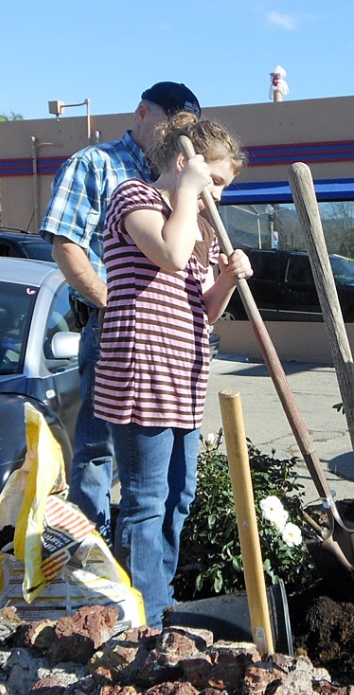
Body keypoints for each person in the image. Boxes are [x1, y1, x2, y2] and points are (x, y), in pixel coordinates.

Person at [94, 113, 250, 628]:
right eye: (217, 183)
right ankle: (147, 621)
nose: (219, 197)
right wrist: (188, 191)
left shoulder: (196, 224)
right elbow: (168, 253)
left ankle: (156, 597)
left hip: (184, 380)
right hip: (141, 377)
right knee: (145, 502)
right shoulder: (133, 197)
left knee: (178, 500)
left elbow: (200, 311)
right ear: (186, 165)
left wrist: (225, 278)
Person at [40, 82, 202, 541]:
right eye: (175, 126)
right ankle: (89, 554)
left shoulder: (175, 177)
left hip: (168, 342)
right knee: (96, 447)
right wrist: (112, 302)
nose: (181, 138)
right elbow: (66, 245)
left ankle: (137, 563)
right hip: (113, 330)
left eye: (189, 130)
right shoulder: (97, 164)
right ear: (143, 113)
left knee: (156, 474)